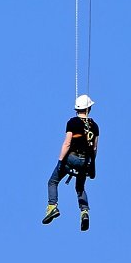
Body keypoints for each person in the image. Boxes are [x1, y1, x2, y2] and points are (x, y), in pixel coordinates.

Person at [44, 94, 99, 230]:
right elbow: (95, 148)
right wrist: (92, 165)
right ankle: (84, 211)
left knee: (53, 181)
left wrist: (60, 161)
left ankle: (52, 206)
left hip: (71, 158)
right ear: (89, 108)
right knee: (80, 188)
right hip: (85, 161)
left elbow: (67, 143)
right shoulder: (95, 126)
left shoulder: (72, 123)